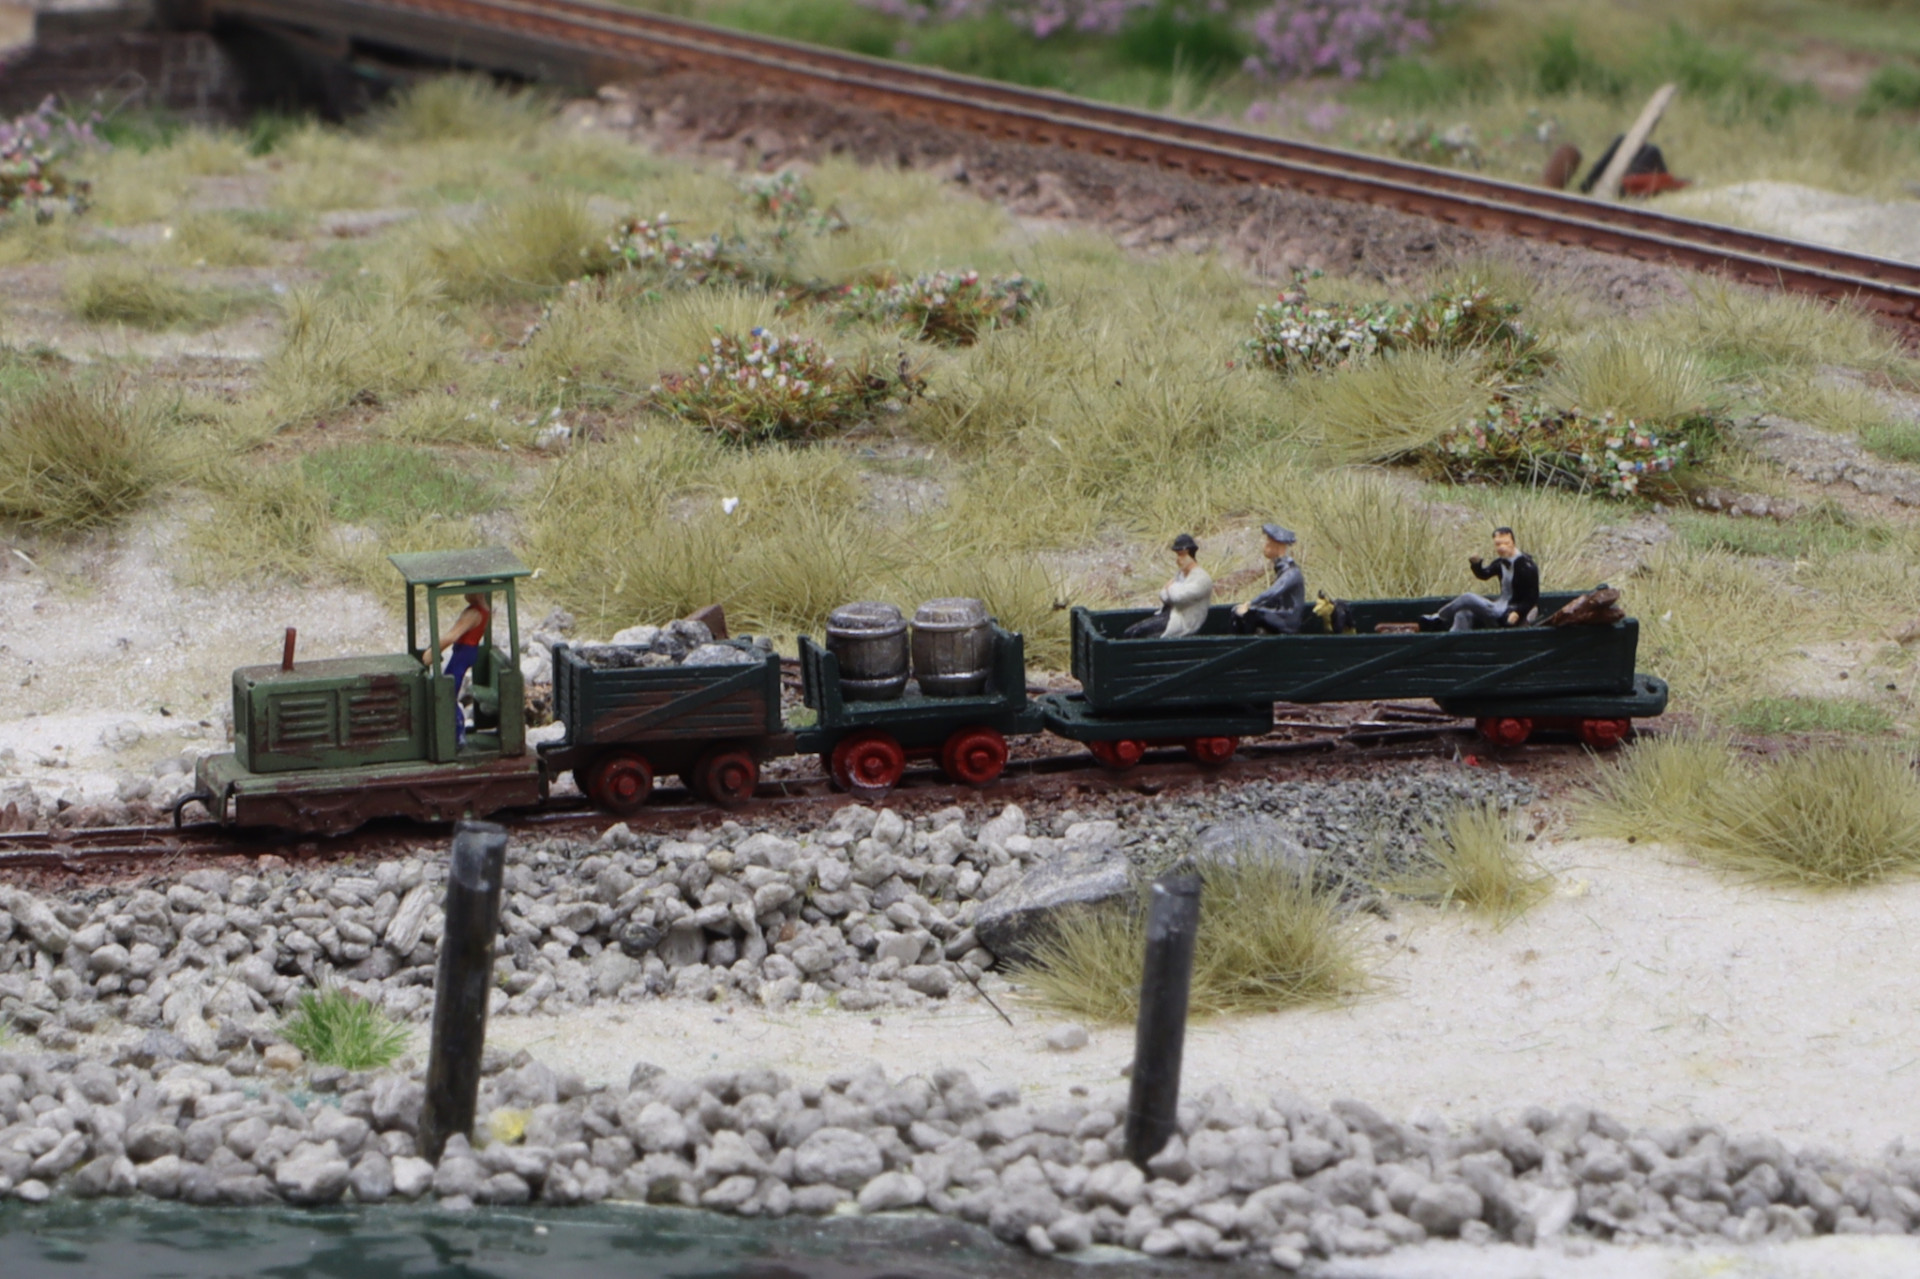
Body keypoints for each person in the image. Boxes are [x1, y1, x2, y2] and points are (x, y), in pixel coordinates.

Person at [1425, 527, 1539, 632]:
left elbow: (1532, 597)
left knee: (1468, 598)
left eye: (1506, 543)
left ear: (1513, 542)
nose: (1501, 547)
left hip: (1507, 611)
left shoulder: (1526, 566)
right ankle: (1454, 643)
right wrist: (1476, 565)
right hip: (1499, 605)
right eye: (1498, 544)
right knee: (1463, 614)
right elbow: (1485, 574)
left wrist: (1517, 612)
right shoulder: (1501, 563)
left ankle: (1439, 617)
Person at [424, 591, 490, 745]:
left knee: (447, 692)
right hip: (465, 652)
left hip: (463, 654)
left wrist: (433, 651)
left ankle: (457, 734)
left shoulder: (474, 614)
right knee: (449, 690)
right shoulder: (483, 609)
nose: (466, 593)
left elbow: (452, 635)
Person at [1124, 533, 1214, 638]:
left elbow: (1178, 598)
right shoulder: (1181, 574)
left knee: (1138, 634)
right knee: (1130, 632)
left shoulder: (1202, 579)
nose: (1178, 559)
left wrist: (1170, 587)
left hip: (1182, 623)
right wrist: (1172, 590)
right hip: (1169, 615)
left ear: (1191, 555)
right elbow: (1163, 596)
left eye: (1181, 555)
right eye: (1178, 555)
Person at [1232, 524, 1308, 635]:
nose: (1264, 545)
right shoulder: (1282, 569)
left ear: (1277, 546)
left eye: (1268, 542)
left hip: (1288, 620)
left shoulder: (1291, 573)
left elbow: (1273, 593)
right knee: (1238, 611)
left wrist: (1250, 605)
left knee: (1247, 614)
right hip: (1282, 614)